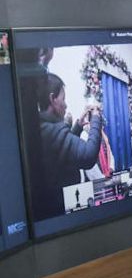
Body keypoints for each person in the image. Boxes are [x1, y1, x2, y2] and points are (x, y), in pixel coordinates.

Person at [38, 73, 103, 208]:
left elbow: (62, 146)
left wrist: (78, 125)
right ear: (53, 99)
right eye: (63, 99)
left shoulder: (44, 126)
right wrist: (96, 118)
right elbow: (88, 155)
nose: (66, 105)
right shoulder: (50, 130)